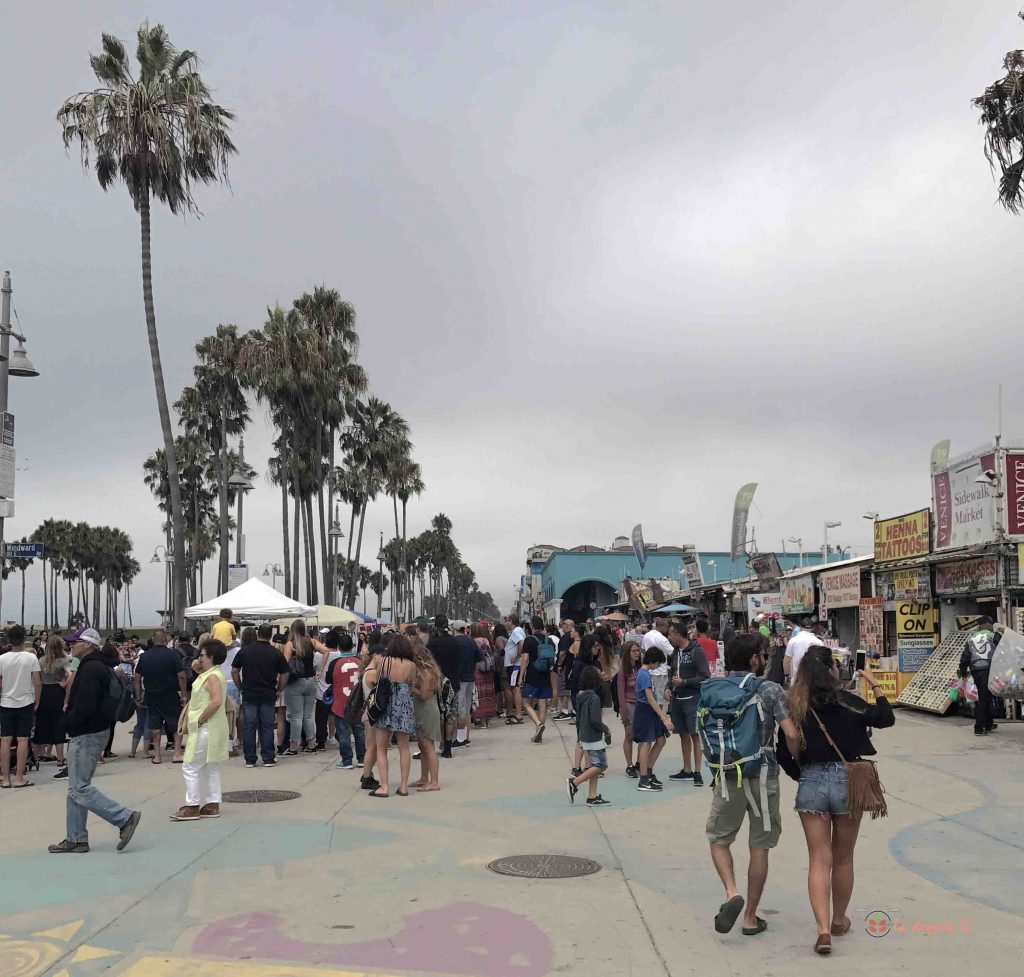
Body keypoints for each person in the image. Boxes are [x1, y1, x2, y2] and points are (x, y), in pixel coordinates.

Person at [778, 645, 895, 954]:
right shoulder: (848, 702)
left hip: (812, 781)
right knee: (843, 857)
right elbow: (886, 718)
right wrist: (872, 682)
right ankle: (839, 919)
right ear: (833, 671)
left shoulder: (794, 707)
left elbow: (782, 751)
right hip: (848, 783)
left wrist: (801, 774)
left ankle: (822, 930)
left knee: (819, 859)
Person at [706, 633, 796, 938]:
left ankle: (731, 892)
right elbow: (791, 733)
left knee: (719, 839)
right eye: (763, 654)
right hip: (763, 774)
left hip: (728, 775)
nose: (766, 659)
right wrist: (795, 756)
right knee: (760, 846)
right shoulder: (770, 690)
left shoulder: (714, 688)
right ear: (753, 659)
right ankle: (750, 918)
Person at [48, 627, 142, 854]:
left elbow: (86, 704)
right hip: (97, 731)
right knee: (76, 787)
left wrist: (68, 723)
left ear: (88, 644)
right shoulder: (102, 666)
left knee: (79, 787)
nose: (72, 645)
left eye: (76, 642)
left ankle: (124, 817)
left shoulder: (90, 669)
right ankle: (76, 837)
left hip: (86, 733)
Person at [170, 637, 230, 822]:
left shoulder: (212, 676)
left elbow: (216, 701)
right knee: (209, 766)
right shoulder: (213, 673)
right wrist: (197, 668)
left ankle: (192, 805)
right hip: (212, 727)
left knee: (190, 766)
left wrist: (200, 718)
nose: (199, 658)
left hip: (205, 727)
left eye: (202, 655)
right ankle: (212, 803)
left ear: (211, 656)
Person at [364, 633, 418, 797]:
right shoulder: (411, 665)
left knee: (381, 748)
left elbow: (380, 678)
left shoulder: (385, 661)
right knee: (404, 747)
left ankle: (384, 786)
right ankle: (403, 786)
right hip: (404, 704)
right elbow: (412, 684)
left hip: (386, 703)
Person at [232, 623, 289, 768]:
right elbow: (285, 672)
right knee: (267, 726)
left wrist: (240, 686)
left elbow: (234, 670)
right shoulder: (275, 653)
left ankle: (250, 759)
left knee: (249, 726)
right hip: (268, 693)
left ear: (258, 634)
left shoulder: (245, 651)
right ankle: (268, 757)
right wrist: (279, 688)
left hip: (249, 693)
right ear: (270, 636)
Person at [666, 620, 710, 785]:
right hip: (677, 699)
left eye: (671, 634)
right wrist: (668, 686)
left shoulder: (696, 651)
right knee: (683, 734)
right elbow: (672, 672)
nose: (669, 637)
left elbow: (705, 676)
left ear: (678, 634)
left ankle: (697, 772)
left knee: (695, 735)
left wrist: (685, 682)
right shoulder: (675, 653)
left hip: (693, 699)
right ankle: (687, 769)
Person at [134, 629, 187, 764]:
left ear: (153, 640)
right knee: (176, 724)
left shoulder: (144, 656)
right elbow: (181, 675)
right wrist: (184, 694)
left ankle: (157, 755)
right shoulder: (173, 655)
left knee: (155, 726)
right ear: (166, 640)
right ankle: (176, 754)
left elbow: (137, 677)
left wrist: (139, 696)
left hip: (152, 694)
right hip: (170, 694)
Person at [0, 624, 42, 789]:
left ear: (9, 640)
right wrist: (36, 701)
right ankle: (19, 777)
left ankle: (5, 778)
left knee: (5, 739)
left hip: (5, 702)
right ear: (24, 639)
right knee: (23, 739)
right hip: (25, 702)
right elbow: (37, 683)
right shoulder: (30, 658)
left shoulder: (2, 659)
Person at [566, 666, 612, 806]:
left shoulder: (580, 696)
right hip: (594, 737)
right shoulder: (594, 698)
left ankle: (592, 796)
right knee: (601, 765)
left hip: (584, 735)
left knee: (592, 766)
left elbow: (579, 719)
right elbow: (595, 721)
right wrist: (606, 729)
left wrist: (579, 736)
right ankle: (574, 782)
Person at [282, 619, 327, 755]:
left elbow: (284, 663)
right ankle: (311, 743)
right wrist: (320, 669)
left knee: (296, 716)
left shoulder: (290, 644)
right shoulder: (311, 642)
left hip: (295, 682)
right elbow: (326, 651)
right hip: (311, 681)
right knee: (308, 715)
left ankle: (293, 746)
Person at [634, 647, 674, 792]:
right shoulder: (644, 674)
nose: (658, 666)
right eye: (658, 663)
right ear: (652, 661)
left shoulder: (645, 673)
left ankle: (648, 772)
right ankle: (643, 778)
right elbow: (649, 698)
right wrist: (664, 717)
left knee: (661, 740)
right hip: (645, 710)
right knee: (646, 743)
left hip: (650, 711)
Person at [958, 616, 1001, 735]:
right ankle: (979, 727)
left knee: (983, 697)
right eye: (991, 624)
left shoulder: (971, 638)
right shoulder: (993, 636)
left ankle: (988, 724)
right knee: (985, 697)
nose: (992, 626)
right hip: (989, 669)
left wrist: (962, 672)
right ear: (987, 624)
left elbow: (965, 657)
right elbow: (1003, 649)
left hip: (976, 671)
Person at [328, 633, 364, 769]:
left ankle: (347, 760)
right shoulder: (360, 661)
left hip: (340, 701)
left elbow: (328, 680)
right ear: (352, 646)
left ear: (339, 647)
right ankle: (362, 758)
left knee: (343, 732)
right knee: (359, 731)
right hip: (357, 701)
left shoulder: (334, 663)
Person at [34, 634, 71, 770]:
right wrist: (64, 683)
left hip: (44, 692)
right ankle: (60, 758)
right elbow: (71, 674)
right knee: (58, 724)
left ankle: (36, 755)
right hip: (57, 692)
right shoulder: (63, 661)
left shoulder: (42, 660)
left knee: (41, 724)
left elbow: (36, 678)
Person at [427, 615, 461, 754]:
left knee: (440, 715)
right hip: (454, 682)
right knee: (451, 716)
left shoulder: (432, 644)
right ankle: (448, 747)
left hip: (438, 683)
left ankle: (440, 744)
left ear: (436, 627)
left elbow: (428, 664)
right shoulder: (455, 642)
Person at [412, 644, 442, 791]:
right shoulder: (431, 671)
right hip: (424, 710)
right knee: (423, 746)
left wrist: (412, 688)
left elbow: (424, 695)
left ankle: (434, 780)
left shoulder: (426, 673)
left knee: (428, 746)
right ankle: (424, 777)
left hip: (426, 711)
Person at [520, 617, 554, 743]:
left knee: (526, 703)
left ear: (532, 626)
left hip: (532, 675)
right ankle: (539, 733)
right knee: (542, 704)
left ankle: (538, 724)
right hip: (545, 674)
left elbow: (525, 659)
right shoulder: (548, 640)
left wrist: (521, 676)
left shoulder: (529, 640)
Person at [314, 630, 343, 750]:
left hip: (321, 692)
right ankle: (340, 737)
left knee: (321, 719)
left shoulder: (318, 655)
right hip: (336, 693)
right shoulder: (341, 655)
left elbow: (314, 668)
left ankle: (321, 742)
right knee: (338, 717)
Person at [454, 624, 481, 746]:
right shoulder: (471, 641)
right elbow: (478, 659)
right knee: (467, 709)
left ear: (455, 629)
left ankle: (460, 738)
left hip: (459, 679)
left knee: (460, 709)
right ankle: (466, 736)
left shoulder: (454, 642)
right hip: (470, 677)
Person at [617, 641, 641, 777]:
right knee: (629, 735)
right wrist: (623, 709)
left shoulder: (641, 668)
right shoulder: (623, 670)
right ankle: (629, 764)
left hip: (641, 705)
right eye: (633, 651)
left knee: (641, 736)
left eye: (638, 650)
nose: (637, 653)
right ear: (628, 653)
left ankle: (639, 761)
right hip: (629, 704)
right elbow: (620, 690)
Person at [471, 623, 497, 728]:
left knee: (480, 695)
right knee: (489, 695)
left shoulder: (474, 641)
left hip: (478, 671)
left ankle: (482, 721)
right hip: (489, 670)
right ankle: (488, 720)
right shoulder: (486, 640)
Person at [502, 613, 526, 724]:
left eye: (506, 621)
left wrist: (516, 656)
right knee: (516, 688)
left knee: (516, 689)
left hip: (515, 665)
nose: (505, 623)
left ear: (511, 621)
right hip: (515, 665)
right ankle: (518, 713)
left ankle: (518, 715)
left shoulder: (516, 632)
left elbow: (521, 643)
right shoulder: (517, 631)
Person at [642, 618, 673, 703]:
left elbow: (643, 650)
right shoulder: (662, 639)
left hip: (649, 670)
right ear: (661, 626)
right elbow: (672, 653)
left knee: (652, 695)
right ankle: (659, 715)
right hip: (661, 671)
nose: (667, 629)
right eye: (667, 627)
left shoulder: (646, 636)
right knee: (661, 699)